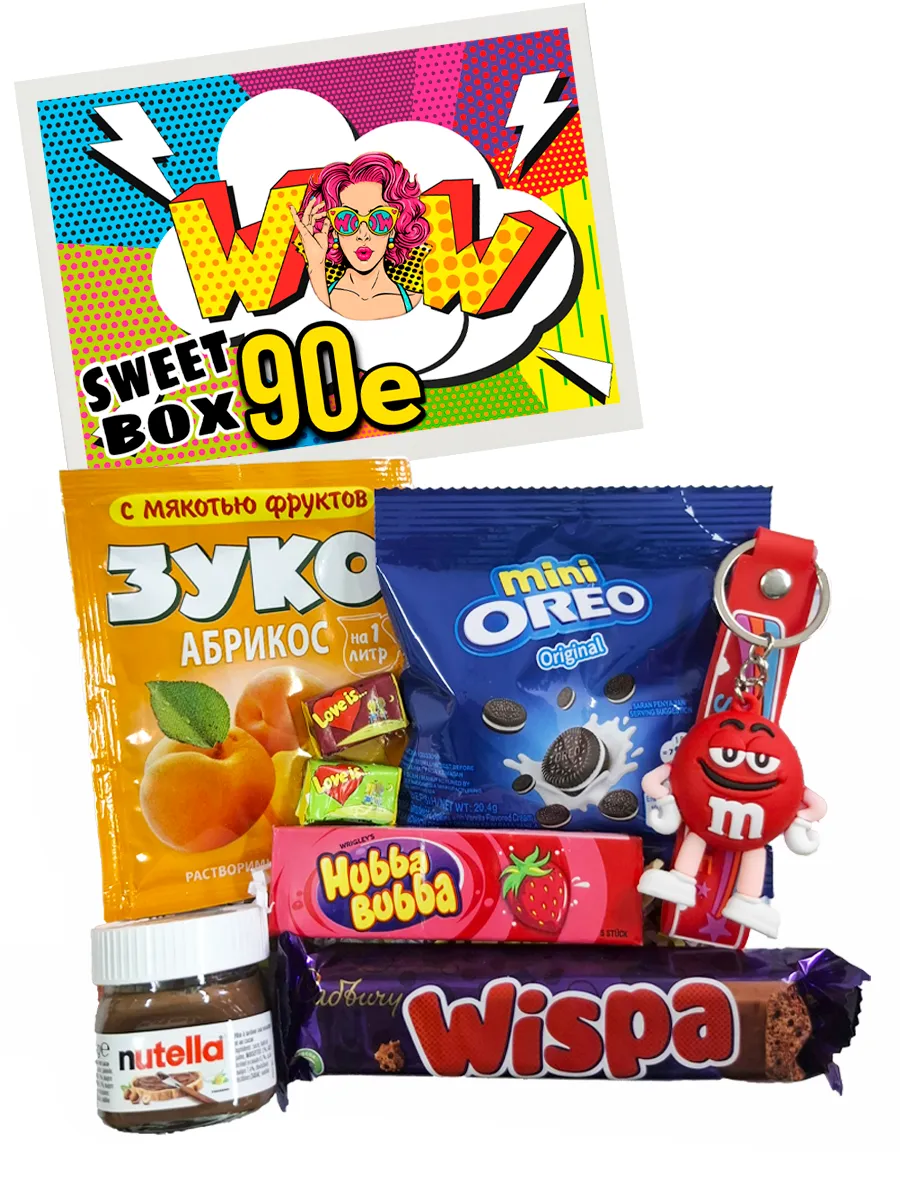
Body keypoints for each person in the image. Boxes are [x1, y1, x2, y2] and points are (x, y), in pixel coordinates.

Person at [290, 152, 429, 321]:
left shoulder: (416, 301)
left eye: (380, 219)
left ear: (395, 227)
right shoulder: (316, 295)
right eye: (346, 220)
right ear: (333, 231)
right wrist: (316, 265)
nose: (363, 235)